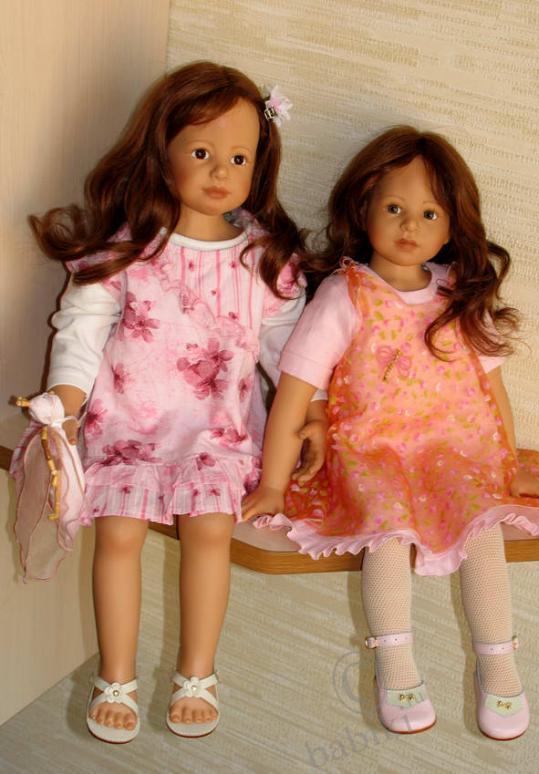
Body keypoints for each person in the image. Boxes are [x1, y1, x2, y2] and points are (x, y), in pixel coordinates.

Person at [25, 61, 326, 743]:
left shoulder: (262, 259)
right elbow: (80, 330)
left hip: (214, 432)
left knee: (210, 530)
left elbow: (292, 352)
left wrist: (315, 408)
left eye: (239, 157)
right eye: (200, 152)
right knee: (118, 535)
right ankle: (116, 676)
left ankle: (197, 673)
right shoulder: (129, 249)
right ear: (161, 157)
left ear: (259, 165)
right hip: (127, 427)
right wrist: (64, 405)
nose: (221, 170)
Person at [242, 126, 539, 740]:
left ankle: (499, 663)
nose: (410, 226)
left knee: (483, 529)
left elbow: (492, 392)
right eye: (394, 207)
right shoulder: (345, 295)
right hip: (373, 454)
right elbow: (294, 394)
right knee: (387, 534)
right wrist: (274, 483)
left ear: (452, 227)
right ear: (363, 207)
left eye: (429, 213)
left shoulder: (457, 294)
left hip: (454, 452)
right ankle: (395, 666)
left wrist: (508, 466)